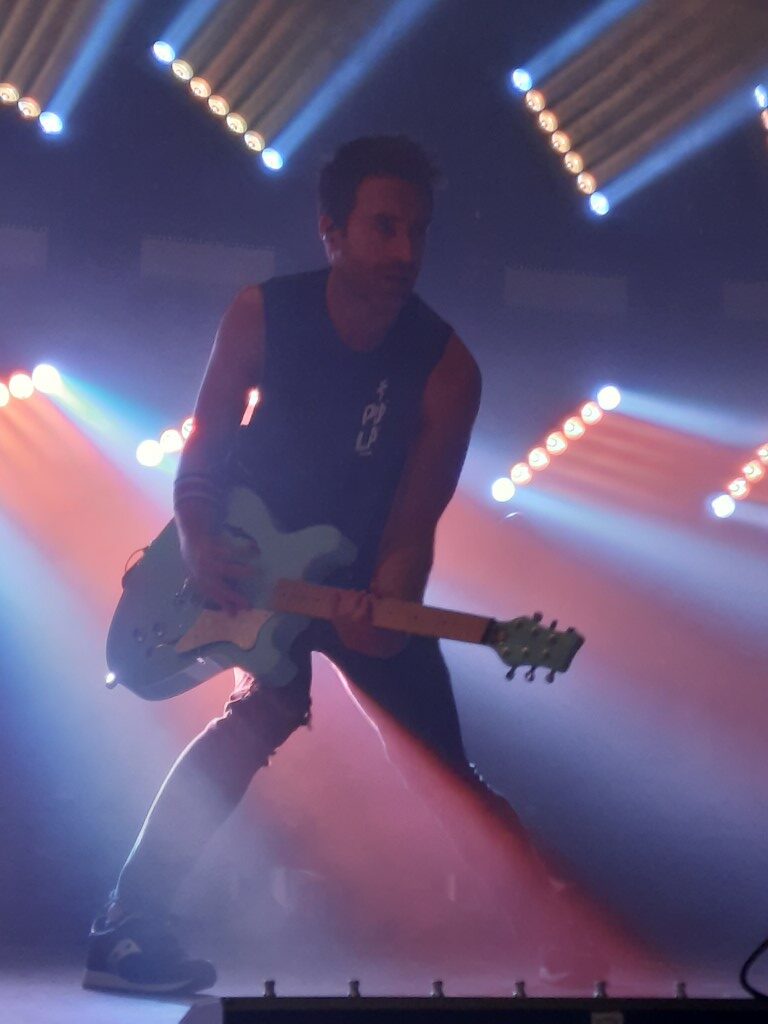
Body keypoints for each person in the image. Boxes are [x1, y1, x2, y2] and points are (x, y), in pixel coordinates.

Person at [84, 135, 532, 995]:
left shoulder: (447, 369)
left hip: (359, 577)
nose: (405, 250)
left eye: (417, 230)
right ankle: (127, 927)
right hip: (249, 558)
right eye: (384, 226)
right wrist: (198, 538)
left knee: (444, 768)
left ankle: (555, 929)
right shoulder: (263, 312)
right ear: (331, 230)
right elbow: (204, 443)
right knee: (260, 716)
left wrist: (389, 604)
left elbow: (413, 527)